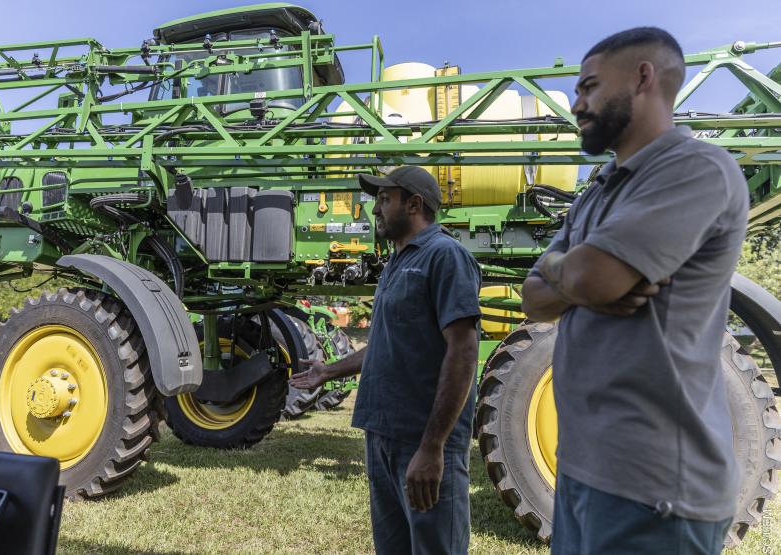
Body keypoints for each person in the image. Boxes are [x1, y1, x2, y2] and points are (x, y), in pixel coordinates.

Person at [521, 27, 747, 554]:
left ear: (643, 77)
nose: (576, 104)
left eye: (589, 87)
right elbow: (534, 298)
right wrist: (569, 272)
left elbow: (591, 279)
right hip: (583, 473)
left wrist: (572, 275)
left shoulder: (695, 169)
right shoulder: (595, 193)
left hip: (655, 492)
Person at [290, 165, 481, 555]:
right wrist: (328, 371)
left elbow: (463, 352)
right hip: (382, 434)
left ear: (414, 205)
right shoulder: (395, 263)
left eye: (384, 199)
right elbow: (385, 343)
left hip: (421, 439)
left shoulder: (445, 256)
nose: (374, 209)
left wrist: (433, 447)